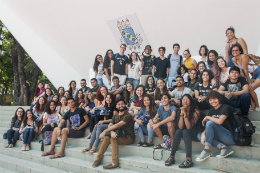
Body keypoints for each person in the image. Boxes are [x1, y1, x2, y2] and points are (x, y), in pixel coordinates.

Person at [92, 98, 135, 169]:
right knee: (107, 138)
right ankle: (98, 159)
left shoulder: (128, 115)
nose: (120, 105)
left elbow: (118, 125)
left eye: (122, 104)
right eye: (119, 104)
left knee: (113, 138)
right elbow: (110, 125)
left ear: (125, 105)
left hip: (128, 137)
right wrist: (111, 132)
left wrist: (105, 131)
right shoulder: (115, 116)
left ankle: (115, 163)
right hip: (119, 135)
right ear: (116, 106)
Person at [196, 91, 235, 162]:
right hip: (218, 137)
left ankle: (206, 150)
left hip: (228, 137)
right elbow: (208, 126)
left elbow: (219, 121)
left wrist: (208, 117)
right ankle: (224, 148)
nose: (212, 101)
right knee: (199, 135)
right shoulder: (211, 111)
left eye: (214, 99)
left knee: (210, 123)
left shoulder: (226, 107)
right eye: (210, 100)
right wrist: (203, 134)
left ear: (219, 99)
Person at [165, 94, 201, 168]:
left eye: (187, 100)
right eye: (183, 100)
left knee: (185, 131)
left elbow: (189, 127)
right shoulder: (179, 111)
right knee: (179, 131)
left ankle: (189, 159)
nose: (185, 101)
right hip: (186, 133)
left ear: (190, 102)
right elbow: (180, 127)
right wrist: (181, 113)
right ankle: (172, 156)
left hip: (196, 132)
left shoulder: (196, 111)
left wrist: (184, 114)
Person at [231, 43, 260, 111]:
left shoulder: (243, 56)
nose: (234, 52)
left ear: (240, 51)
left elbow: (246, 71)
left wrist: (249, 83)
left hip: (259, 72)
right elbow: (241, 71)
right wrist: (245, 83)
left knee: (250, 88)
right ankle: (253, 105)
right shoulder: (233, 59)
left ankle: (257, 106)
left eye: (236, 50)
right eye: (233, 51)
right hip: (253, 75)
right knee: (246, 88)